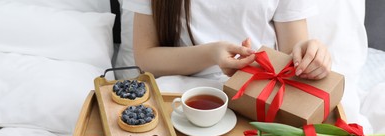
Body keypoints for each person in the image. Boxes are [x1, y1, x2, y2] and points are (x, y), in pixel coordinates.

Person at [123, 0, 331, 84]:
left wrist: (310, 56)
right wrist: (211, 54)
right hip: (177, 96)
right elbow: (145, 58)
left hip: (257, 94)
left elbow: (292, 54)